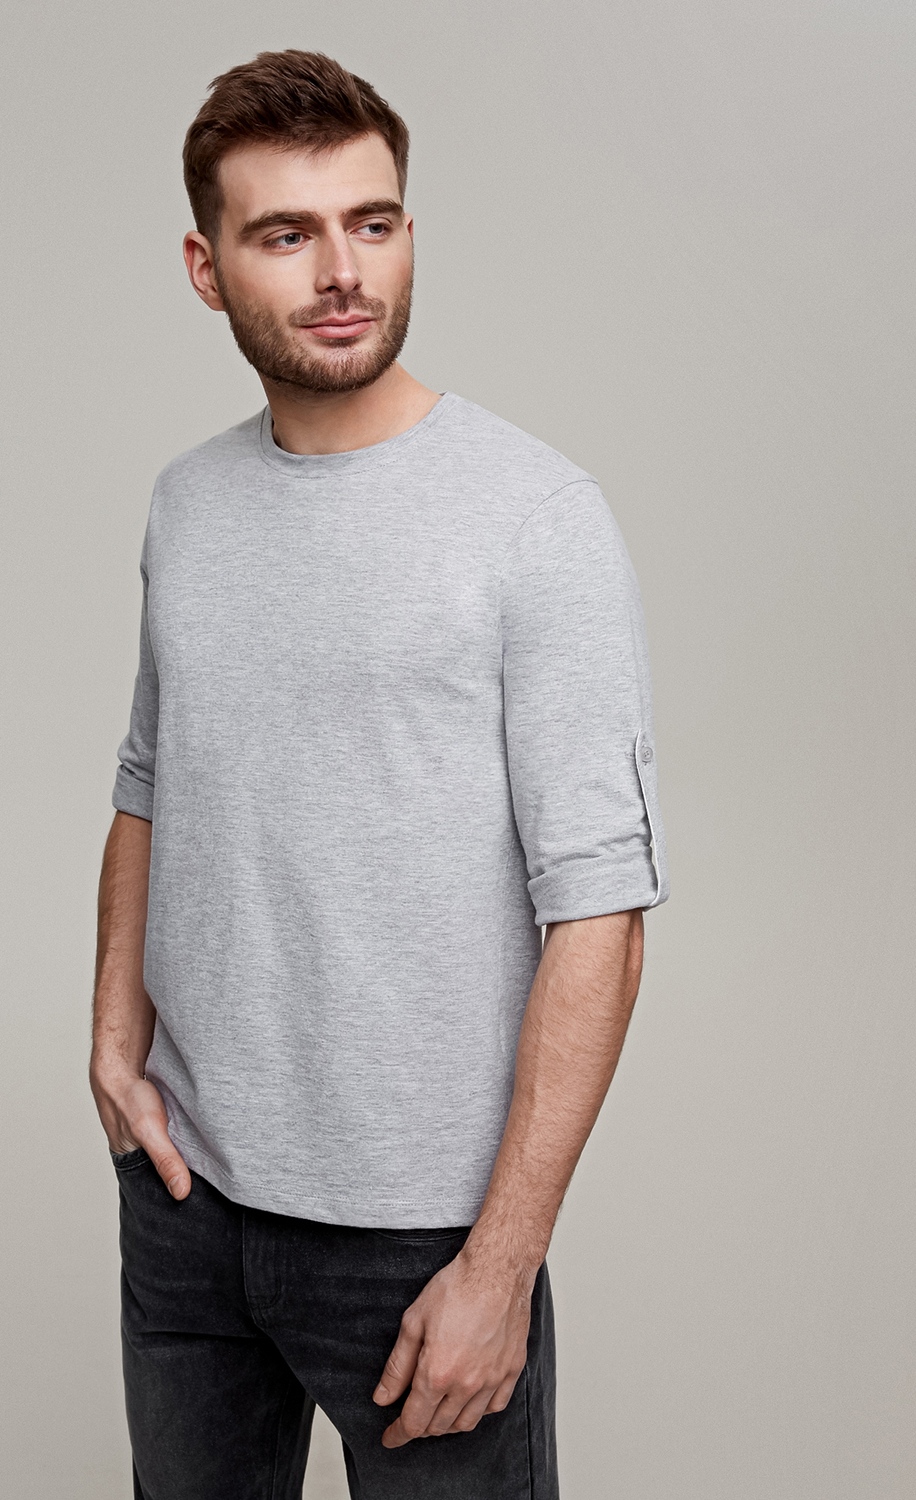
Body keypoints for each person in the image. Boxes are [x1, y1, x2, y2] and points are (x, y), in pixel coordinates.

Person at [90, 47, 669, 1500]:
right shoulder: (188, 503)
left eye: (374, 222)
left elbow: (601, 914)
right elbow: (152, 781)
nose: (343, 271)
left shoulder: (535, 518)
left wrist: (502, 1262)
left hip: (423, 1241)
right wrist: (111, 1041)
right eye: (287, 234)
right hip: (188, 1203)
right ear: (208, 268)